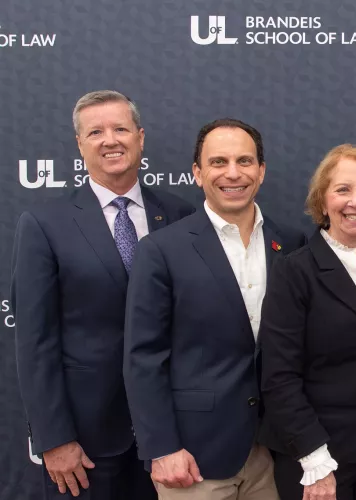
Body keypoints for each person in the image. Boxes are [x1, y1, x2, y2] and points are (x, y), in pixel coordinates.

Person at [11, 90, 194, 499]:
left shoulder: (181, 215)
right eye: (96, 132)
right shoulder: (45, 224)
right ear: (79, 144)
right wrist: (53, 440)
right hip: (86, 442)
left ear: (141, 137)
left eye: (120, 129)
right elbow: (34, 342)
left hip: (172, 435)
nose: (110, 140)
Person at [123, 118, 306, 499]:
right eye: (218, 162)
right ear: (197, 173)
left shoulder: (289, 242)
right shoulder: (161, 250)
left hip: (272, 452)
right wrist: (163, 448)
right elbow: (143, 358)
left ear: (261, 170)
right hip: (193, 458)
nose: (233, 173)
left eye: (244, 161)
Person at [257, 144, 356, 500]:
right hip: (318, 459)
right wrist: (315, 461)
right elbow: (279, 377)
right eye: (342, 190)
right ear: (323, 202)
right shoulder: (295, 271)